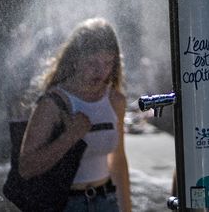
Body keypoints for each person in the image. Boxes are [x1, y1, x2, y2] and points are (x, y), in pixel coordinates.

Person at [18, 18, 131, 212]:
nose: (100, 71)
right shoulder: (54, 103)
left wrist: (126, 208)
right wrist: (69, 137)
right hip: (67, 204)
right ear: (75, 60)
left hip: (106, 201)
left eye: (108, 63)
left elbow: (118, 161)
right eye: (92, 62)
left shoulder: (115, 100)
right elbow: (26, 167)